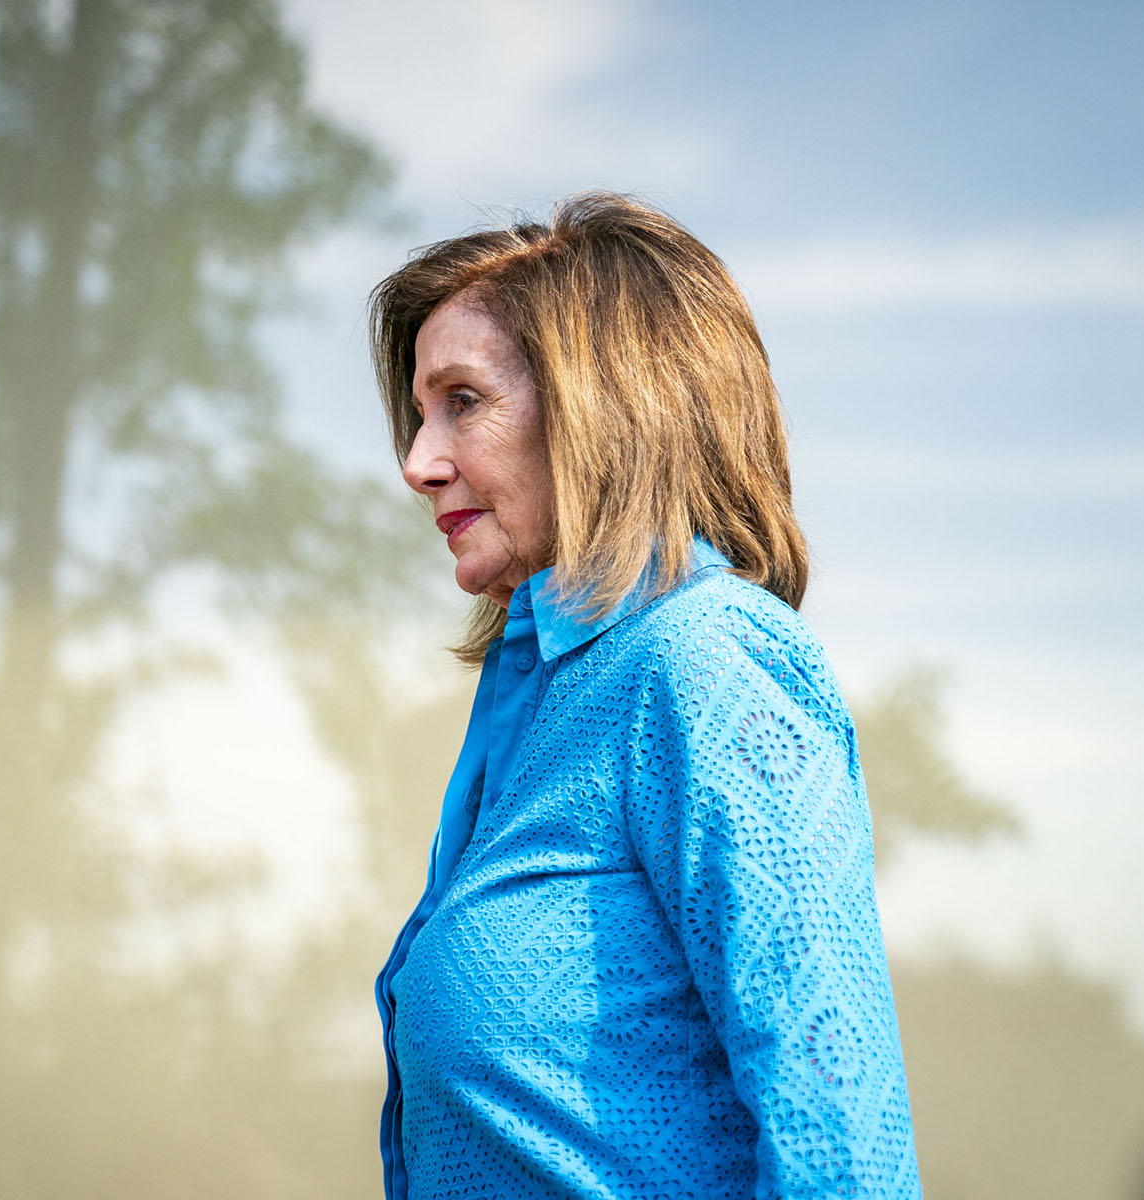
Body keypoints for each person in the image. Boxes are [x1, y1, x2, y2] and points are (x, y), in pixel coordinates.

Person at [368, 192, 922, 1199]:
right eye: (416, 414)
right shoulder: (544, 695)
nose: (418, 463)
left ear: (603, 408)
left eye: (462, 401)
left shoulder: (705, 660)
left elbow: (842, 1145)